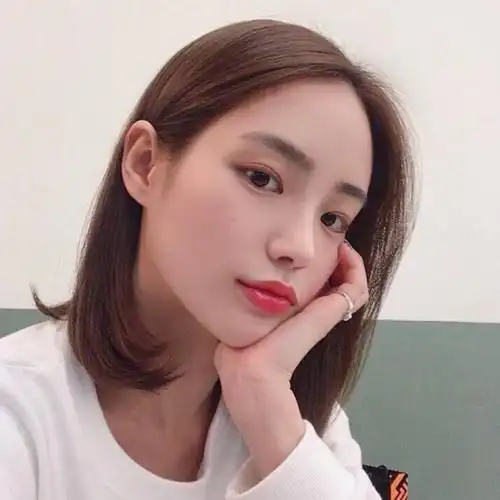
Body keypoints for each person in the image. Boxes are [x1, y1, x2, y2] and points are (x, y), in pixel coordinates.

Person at [0, 18, 415, 500]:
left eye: (333, 219)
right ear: (144, 164)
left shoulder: (296, 419)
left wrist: (264, 400)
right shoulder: (20, 412)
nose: (300, 247)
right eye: (262, 178)